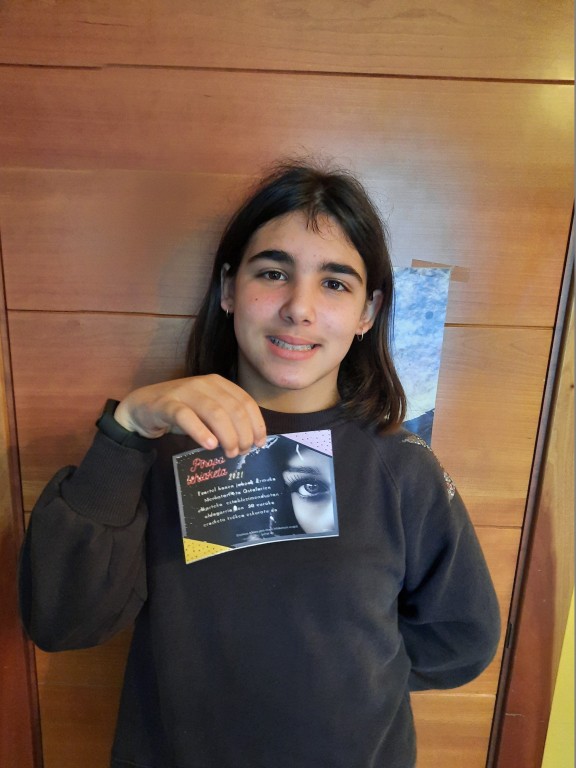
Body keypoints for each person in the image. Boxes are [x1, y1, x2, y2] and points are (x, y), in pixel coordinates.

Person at [19, 160, 501, 768]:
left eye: (335, 283)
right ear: (228, 288)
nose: (299, 308)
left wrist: (346, 682)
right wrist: (128, 430)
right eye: (273, 273)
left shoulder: (401, 466)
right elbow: (60, 621)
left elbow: (462, 637)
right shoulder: (161, 448)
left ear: (368, 311)